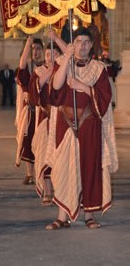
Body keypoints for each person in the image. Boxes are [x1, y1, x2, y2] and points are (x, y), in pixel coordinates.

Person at [45, 27, 118, 230]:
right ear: (73, 44)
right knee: (63, 168)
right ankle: (62, 216)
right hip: (66, 125)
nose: (83, 46)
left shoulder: (98, 68)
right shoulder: (63, 63)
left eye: (87, 42)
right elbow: (56, 90)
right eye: (79, 42)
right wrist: (66, 59)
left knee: (89, 169)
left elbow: (104, 100)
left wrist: (84, 87)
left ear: (91, 45)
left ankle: (89, 215)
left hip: (89, 125)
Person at [29, 41, 64, 205]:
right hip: (45, 118)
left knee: (61, 156)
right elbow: (33, 94)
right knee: (45, 155)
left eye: (54, 54)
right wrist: (49, 72)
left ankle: (62, 191)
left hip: (63, 118)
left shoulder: (65, 70)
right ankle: (48, 190)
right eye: (48, 54)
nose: (50, 57)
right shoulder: (39, 71)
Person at [15, 37, 44, 184]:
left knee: (42, 143)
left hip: (44, 112)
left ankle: (42, 173)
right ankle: (30, 174)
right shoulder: (29, 69)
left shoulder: (47, 67)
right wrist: (27, 44)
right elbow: (21, 67)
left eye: (38, 49)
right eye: (33, 49)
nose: (36, 52)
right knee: (27, 141)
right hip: (30, 113)